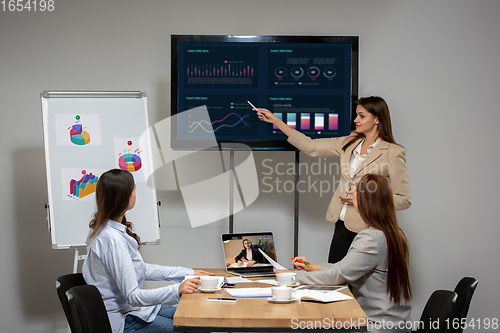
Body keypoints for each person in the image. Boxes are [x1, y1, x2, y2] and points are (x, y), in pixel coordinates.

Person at [256, 96, 411, 263]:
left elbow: (404, 200)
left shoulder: (393, 152)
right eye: (356, 115)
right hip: (342, 224)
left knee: (359, 284)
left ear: (377, 119)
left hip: (371, 228)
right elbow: (311, 146)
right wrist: (275, 121)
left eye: (362, 116)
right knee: (334, 278)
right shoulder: (349, 142)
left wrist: (363, 198)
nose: (355, 120)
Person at [82, 169, 213, 333]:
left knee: (198, 317)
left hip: (136, 311)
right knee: (195, 327)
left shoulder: (107, 231)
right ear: (124, 197)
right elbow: (133, 296)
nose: (135, 191)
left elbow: (141, 269)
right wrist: (177, 289)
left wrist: (188, 273)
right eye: (134, 189)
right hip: (125, 320)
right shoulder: (111, 240)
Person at [279, 174, 412, 333]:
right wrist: (313, 266)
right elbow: (346, 267)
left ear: (363, 202)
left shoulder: (371, 238)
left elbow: (338, 274)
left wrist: (288, 277)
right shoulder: (394, 234)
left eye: (356, 191)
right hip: (396, 324)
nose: (351, 194)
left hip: (376, 327)